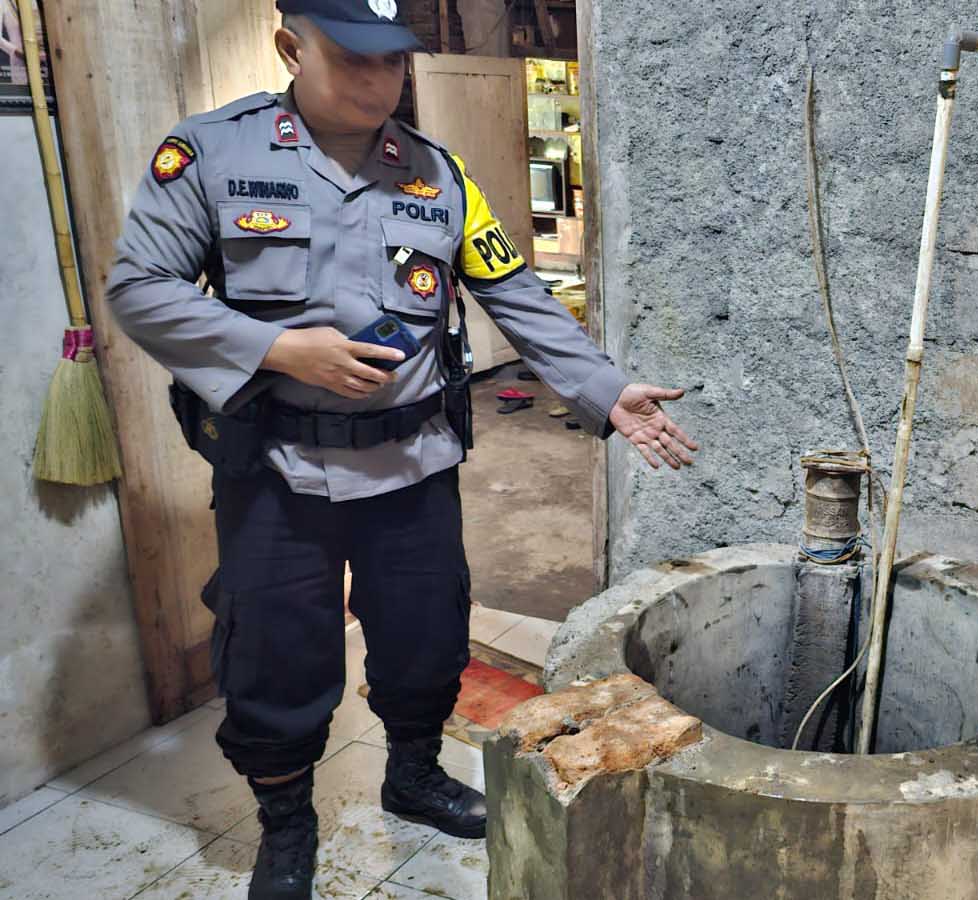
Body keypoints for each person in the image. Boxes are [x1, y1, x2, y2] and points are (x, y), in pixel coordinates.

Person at [105, 2, 699, 897]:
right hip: (277, 469)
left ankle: (412, 776)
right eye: (354, 61)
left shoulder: (437, 173)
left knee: (424, 642)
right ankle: (287, 823)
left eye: (394, 63)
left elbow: (516, 291)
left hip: (412, 464)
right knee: (275, 658)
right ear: (290, 48)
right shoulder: (211, 157)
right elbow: (139, 291)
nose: (380, 82)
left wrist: (607, 391)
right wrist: (276, 348)